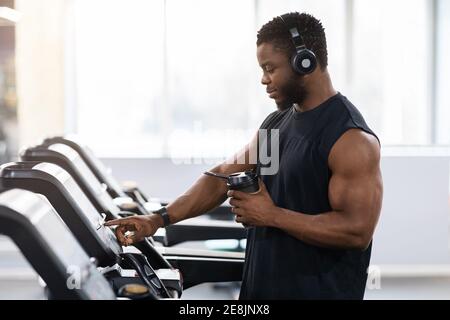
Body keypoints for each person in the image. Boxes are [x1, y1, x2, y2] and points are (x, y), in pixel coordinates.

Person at [105, 12, 383, 299]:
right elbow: (222, 176)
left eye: (270, 68)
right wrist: (157, 219)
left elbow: (356, 231)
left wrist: (272, 216)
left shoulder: (349, 139)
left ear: (305, 62)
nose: (264, 80)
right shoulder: (279, 124)